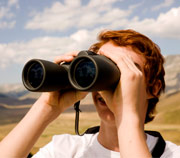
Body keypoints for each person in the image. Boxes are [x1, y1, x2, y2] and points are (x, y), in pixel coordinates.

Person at [0, 29, 180, 158]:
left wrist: (126, 115)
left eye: (127, 70)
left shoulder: (172, 154)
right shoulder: (64, 150)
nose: (110, 84)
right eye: (106, 68)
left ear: (153, 88)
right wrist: (46, 107)